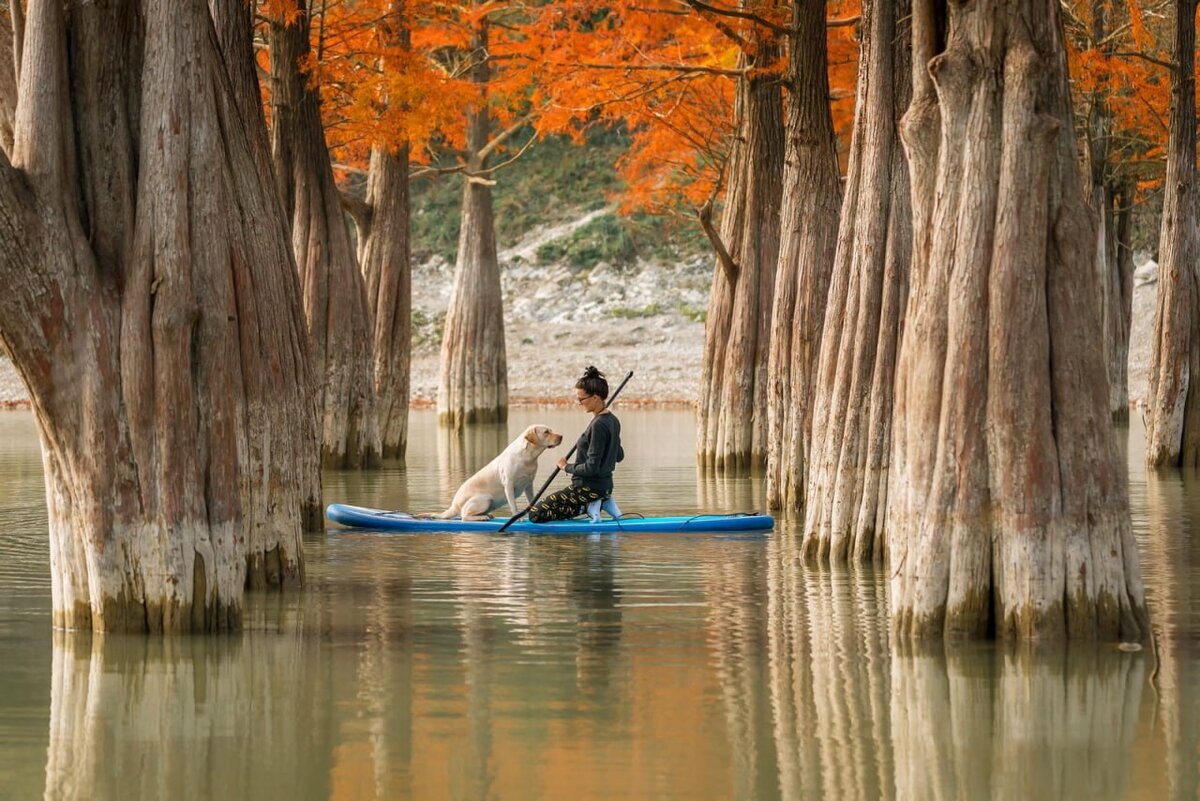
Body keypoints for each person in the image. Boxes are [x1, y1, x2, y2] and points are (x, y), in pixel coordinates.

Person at [528, 366, 624, 523]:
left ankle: (591, 505)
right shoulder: (613, 421)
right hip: (604, 487)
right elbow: (619, 456)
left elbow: (591, 467)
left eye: (581, 399)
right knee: (559, 508)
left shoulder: (598, 425)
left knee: (535, 514)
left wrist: (566, 467)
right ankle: (600, 503)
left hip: (587, 489)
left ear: (595, 397)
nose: (579, 403)